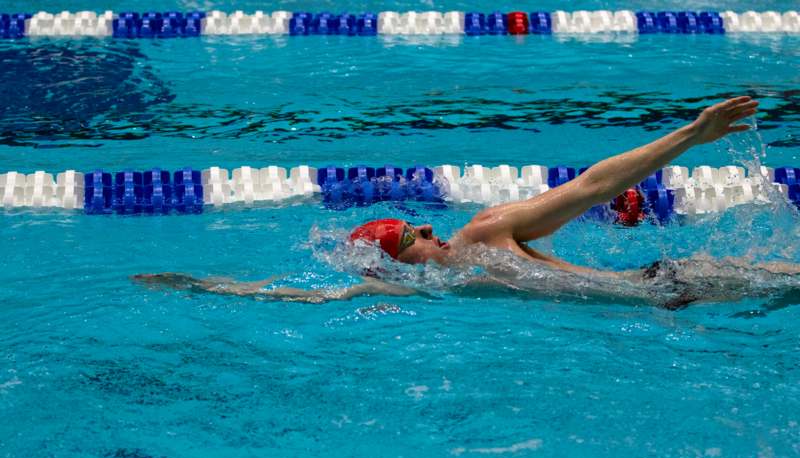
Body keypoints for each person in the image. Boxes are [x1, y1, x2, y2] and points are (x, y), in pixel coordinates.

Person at [135, 96, 800, 309]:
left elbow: (592, 186)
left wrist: (691, 132)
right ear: (406, 261)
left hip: (671, 283)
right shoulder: (436, 289)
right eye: (409, 233)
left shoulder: (485, 232)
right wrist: (206, 286)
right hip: (665, 302)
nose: (427, 223)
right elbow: (300, 295)